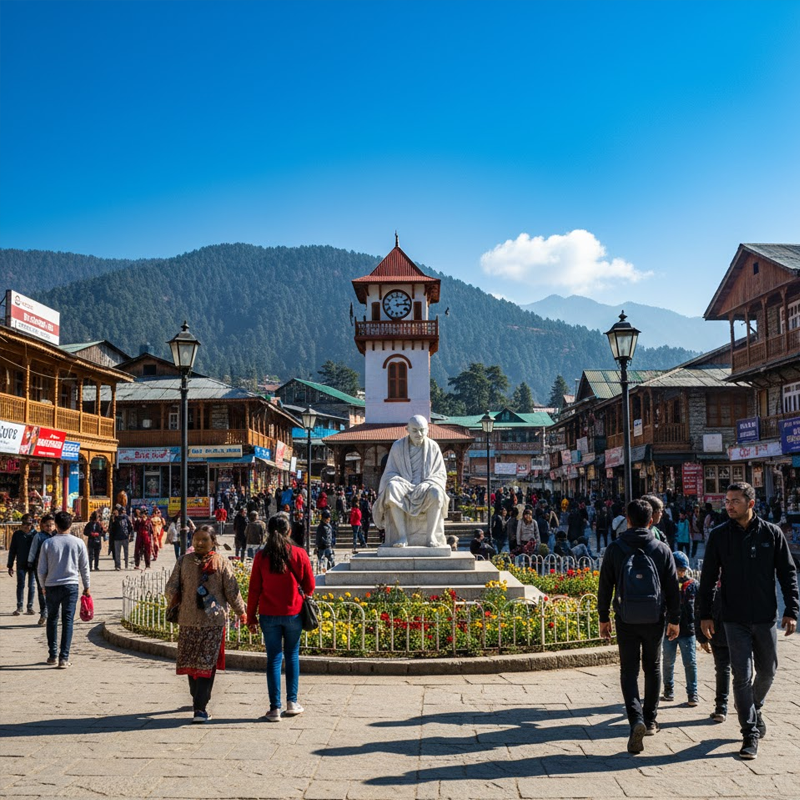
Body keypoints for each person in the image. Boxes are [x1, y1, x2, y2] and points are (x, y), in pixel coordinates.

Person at [698, 482, 798, 761]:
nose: (729, 506)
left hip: (765, 617)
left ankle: (753, 706)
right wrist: (704, 615)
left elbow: (787, 573)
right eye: (727, 501)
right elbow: (707, 579)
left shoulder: (771, 533)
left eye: (735, 501)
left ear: (751, 504)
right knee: (741, 675)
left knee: (768, 671)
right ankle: (749, 733)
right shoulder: (719, 535)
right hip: (733, 618)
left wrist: (792, 609)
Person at [598, 499, 680, 754]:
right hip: (654, 618)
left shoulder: (615, 548)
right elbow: (672, 588)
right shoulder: (661, 549)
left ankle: (636, 720)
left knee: (629, 670)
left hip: (626, 618)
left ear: (628, 520)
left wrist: (603, 617)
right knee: (652, 667)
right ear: (651, 521)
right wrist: (675, 619)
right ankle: (651, 719)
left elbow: (605, 586)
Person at [165, 525, 246, 723]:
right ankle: (199, 707)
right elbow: (171, 588)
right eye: (196, 539)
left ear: (213, 541)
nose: (199, 543)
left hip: (210, 622)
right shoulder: (184, 561)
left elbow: (232, 591)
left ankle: (198, 703)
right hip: (192, 621)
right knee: (199, 662)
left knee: (201, 662)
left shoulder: (217, 562)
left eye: (204, 540)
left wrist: (241, 612)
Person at [247, 514, 315, 722]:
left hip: (268, 614)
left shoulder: (261, 556)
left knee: (274, 658)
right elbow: (310, 585)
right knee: (292, 655)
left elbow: (254, 589)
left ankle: (274, 708)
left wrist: (250, 617)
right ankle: (292, 702)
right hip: (293, 612)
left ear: (268, 531)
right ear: (289, 531)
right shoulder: (299, 553)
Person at [372, 416, 449, 548]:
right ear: (407, 429)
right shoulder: (397, 446)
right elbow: (390, 472)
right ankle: (402, 536)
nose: (419, 434)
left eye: (422, 430)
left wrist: (427, 483)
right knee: (392, 487)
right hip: (404, 486)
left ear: (428, 430)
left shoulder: (433, 447)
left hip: (426, 486)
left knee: (436, 492)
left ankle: (430, 536)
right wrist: (400, 481)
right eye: (414, 430)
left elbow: (440, 474)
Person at [37, 511, 91, 668]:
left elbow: (41, 569)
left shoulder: (48, 543)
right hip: (71, 585)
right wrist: (87, 586)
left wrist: (43, 586)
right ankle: (64, 658)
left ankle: (52, 654)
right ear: (70, 524)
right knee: (68, 620)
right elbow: (84, 567)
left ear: (56, 525)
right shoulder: (78, 543)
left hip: (51, 585)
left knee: (52, 619)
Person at [661, 550, 699, 706]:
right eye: (679, 569)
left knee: (690, 662)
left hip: (688, 630)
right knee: (668, 661)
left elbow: (699, 607)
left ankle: (692, 692)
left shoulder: (693, 585)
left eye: (683, 570)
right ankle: (668, 688)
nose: (681, 573)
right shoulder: (666, 585)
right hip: (669, 629)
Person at [696, 576, 730, 724]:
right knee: (730, 670)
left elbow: (699, 609)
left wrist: (702, 638)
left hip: (723, 633)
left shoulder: (709, 583)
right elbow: (700, 609)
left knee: (724, 670)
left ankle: (722, 708)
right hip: (721, 634)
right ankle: (725, 707)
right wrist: (702, 638)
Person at [27, 513, 56, 625]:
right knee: (41, 590)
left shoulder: (57, 536)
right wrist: (30, 562)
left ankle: (54, 612)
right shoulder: (38, 536)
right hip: (39, 567)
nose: (49, 527)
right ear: (42, 525)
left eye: (51, 525)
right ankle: (43, 612)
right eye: (47, 525)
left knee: (54, 590)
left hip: (54, 567)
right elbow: (33, 550)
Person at [7, 513, 37, 615]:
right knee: (20, 585)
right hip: (21, 563)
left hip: (33, 564)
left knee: (31, 585)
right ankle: (19, 606)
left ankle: (30, 606)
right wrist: (10, 565)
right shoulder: (17, 535)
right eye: (24, 524)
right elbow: (12, 550)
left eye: (28, 524)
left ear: (31, 524)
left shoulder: (35, 535)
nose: (26, 526)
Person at [110, 505, 133, 571]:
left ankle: (119, 566)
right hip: (121, 537)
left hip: (120, 537)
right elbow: (130, 527)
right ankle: (124, 565)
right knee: (124, 552)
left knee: (119, 553)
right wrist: (128, 534)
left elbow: (112, 529)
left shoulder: (118, 518)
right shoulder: (120, 518)